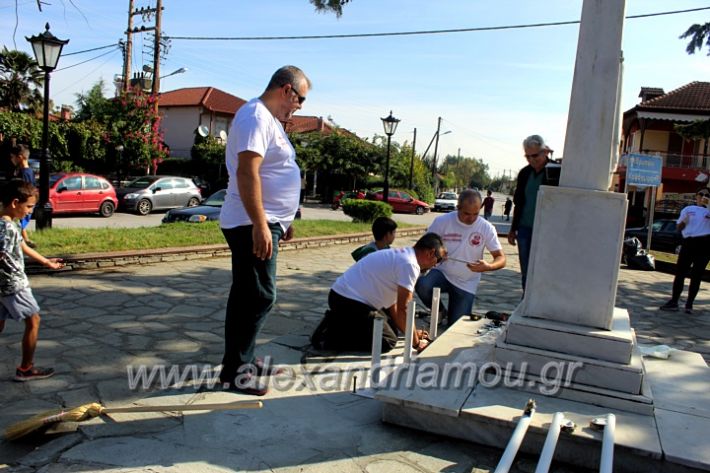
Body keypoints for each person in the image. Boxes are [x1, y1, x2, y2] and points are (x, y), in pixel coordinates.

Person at [218, 65, 310, 396]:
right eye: (299, 99)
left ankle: (244, 358)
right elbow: (247, 172)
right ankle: (234, 372)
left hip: (263, 220)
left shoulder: (268, 120)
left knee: (249, 294)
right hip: (249, 221)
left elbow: (274, 171)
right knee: (258, 295)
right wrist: (260, 223)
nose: (298, 106)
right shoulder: (254, 116)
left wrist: (282, 222)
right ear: (287, 89)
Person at [311, 233, 446, 353]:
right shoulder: (410, 265)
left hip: (344, 297)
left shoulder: (404, 256)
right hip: (348, 301)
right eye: (438, 260)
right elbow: (404, 309)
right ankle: (329, 336)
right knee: (387, 342)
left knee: (392, 331)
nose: (435, 265)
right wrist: (416, 343)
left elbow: (394, 306)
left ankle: (341, 322)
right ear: (430, 253)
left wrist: (412, 333)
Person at [0, 181, 64, 381]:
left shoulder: (11, 222)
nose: (29, 212)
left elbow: (21, 246)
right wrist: (13, 273)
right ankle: (26, 369)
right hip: (12, 285)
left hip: (5, 285)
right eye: (28, 207)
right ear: (14, 202)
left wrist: (46, 261)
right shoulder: (6, 227)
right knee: (34, 320)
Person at [415, 189, 506, 327]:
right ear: (458, 208)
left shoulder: (486, 227)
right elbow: (423, 246)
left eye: (475, 214)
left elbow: (501, 258)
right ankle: (440, 311)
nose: (471, 218)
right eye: (466, 214)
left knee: (455, 327)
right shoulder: (442, 221)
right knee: (422, 284)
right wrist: (437, 253)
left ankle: (451, 315)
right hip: (442, 273)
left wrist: (488, 266)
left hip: (467, 282)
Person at [507, 134, 557, 291]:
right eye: (527, 156)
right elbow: (519, 202)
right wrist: (513, 229)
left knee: (545, 270)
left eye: (534, 155)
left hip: (548, 230)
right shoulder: (524, 173)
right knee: (526, 271)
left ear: (545, 152)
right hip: (525, 228)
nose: (531, 160)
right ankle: (526, 300)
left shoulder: (556, 171)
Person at [659, 188, 710, 315]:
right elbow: (679, 227)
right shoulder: (688, 209)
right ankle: (674, 301)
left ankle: (689, 304)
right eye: (701, 194)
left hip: (705, 244)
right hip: (689, 243)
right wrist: (684, 222)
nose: (703, 197)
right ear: (696, 196)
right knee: (680, 272)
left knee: (697, 275)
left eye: (707, 195)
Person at [10, 145, 37, 248]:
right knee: (19, 223)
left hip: (22, 202)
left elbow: (25, 190)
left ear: (20, 157)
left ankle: (26, 241)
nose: (11, 159)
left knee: (18, 221)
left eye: (12, 157)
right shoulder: (28, 171)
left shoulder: (24, 173)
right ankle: (26, 240)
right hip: (23, 201)